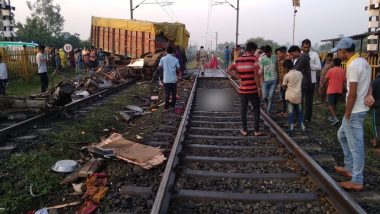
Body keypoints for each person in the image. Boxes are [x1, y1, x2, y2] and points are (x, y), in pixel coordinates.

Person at [331, 37, 371, 191]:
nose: (338, 55)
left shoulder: (353, 66)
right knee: (341, 136)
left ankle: (357, 180)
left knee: (356, 147)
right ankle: (349, 167)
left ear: (343, 50)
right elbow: (367, 83)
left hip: (354, 111)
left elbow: (352, 94)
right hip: (358, 109)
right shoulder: (363, 62)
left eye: (338, 52)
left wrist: (347, 115)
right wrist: (369, 93)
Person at [228, 41, 263, 136]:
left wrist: (239, 77)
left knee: (243, 110)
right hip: (253, 89)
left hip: (243, 90)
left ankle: (245, 130)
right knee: (256, 109)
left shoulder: (238, 60)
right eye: (254, 50)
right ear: (252, 50)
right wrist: (259, 88)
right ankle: (256, 131)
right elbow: (256, 75)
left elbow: (228, 70)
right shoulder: (254, 59)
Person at [288, 45, 313, 122]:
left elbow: (296, 69)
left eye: (292, 54)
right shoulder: (301, 57)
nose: (292, 56)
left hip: (303, 83)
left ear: (296, 51)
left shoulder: (303, 58)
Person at [282, 59, 305, 134]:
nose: (284, 69)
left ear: (286, 67)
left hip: (290, 96)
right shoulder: (300, 73)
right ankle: (302, 126)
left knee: (291, 112)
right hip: (298, 95)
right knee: (299, 112)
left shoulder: (287, 75)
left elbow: (284, 86)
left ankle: (291, 128)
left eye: (284, 68)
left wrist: (284, 87)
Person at [325, 58, 346, 125]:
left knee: (330, 105)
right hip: (339, 90)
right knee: (334, 104)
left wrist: (323, 86)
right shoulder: (343, 71)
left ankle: (335, 118)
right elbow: (344, 80)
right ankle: (332, 117)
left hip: (331, 89)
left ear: (333, 63)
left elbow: (326, 79)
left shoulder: (330, 70)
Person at [260, 45, 278, 114]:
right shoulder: (262, 59)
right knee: (264, 96)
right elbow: (261, 70)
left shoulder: (274, 58)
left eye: (269, 52)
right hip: (265, 80)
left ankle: (268, 111)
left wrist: (278, 79)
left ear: (271, 51)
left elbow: (277, 68)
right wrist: (262, 80)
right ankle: (268, 106)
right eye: (266, 53)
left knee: (270, 96)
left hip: (274, 80)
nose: (268, 54)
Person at [365, 73, 380, 146]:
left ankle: (375, 141)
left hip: (376, 107)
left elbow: (370, 95)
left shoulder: (374, 82)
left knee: (375, 124)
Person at [276, 46, 288, 117]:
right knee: (283, 98)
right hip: (281, 82)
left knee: (287, 98)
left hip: (286, 83)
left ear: (283, 53)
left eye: (280, 53)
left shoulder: (286, 60)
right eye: (277, 54)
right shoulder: (278, 61)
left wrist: (286, 83)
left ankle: (287, 112)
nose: (279, 55)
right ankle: (284, 111)